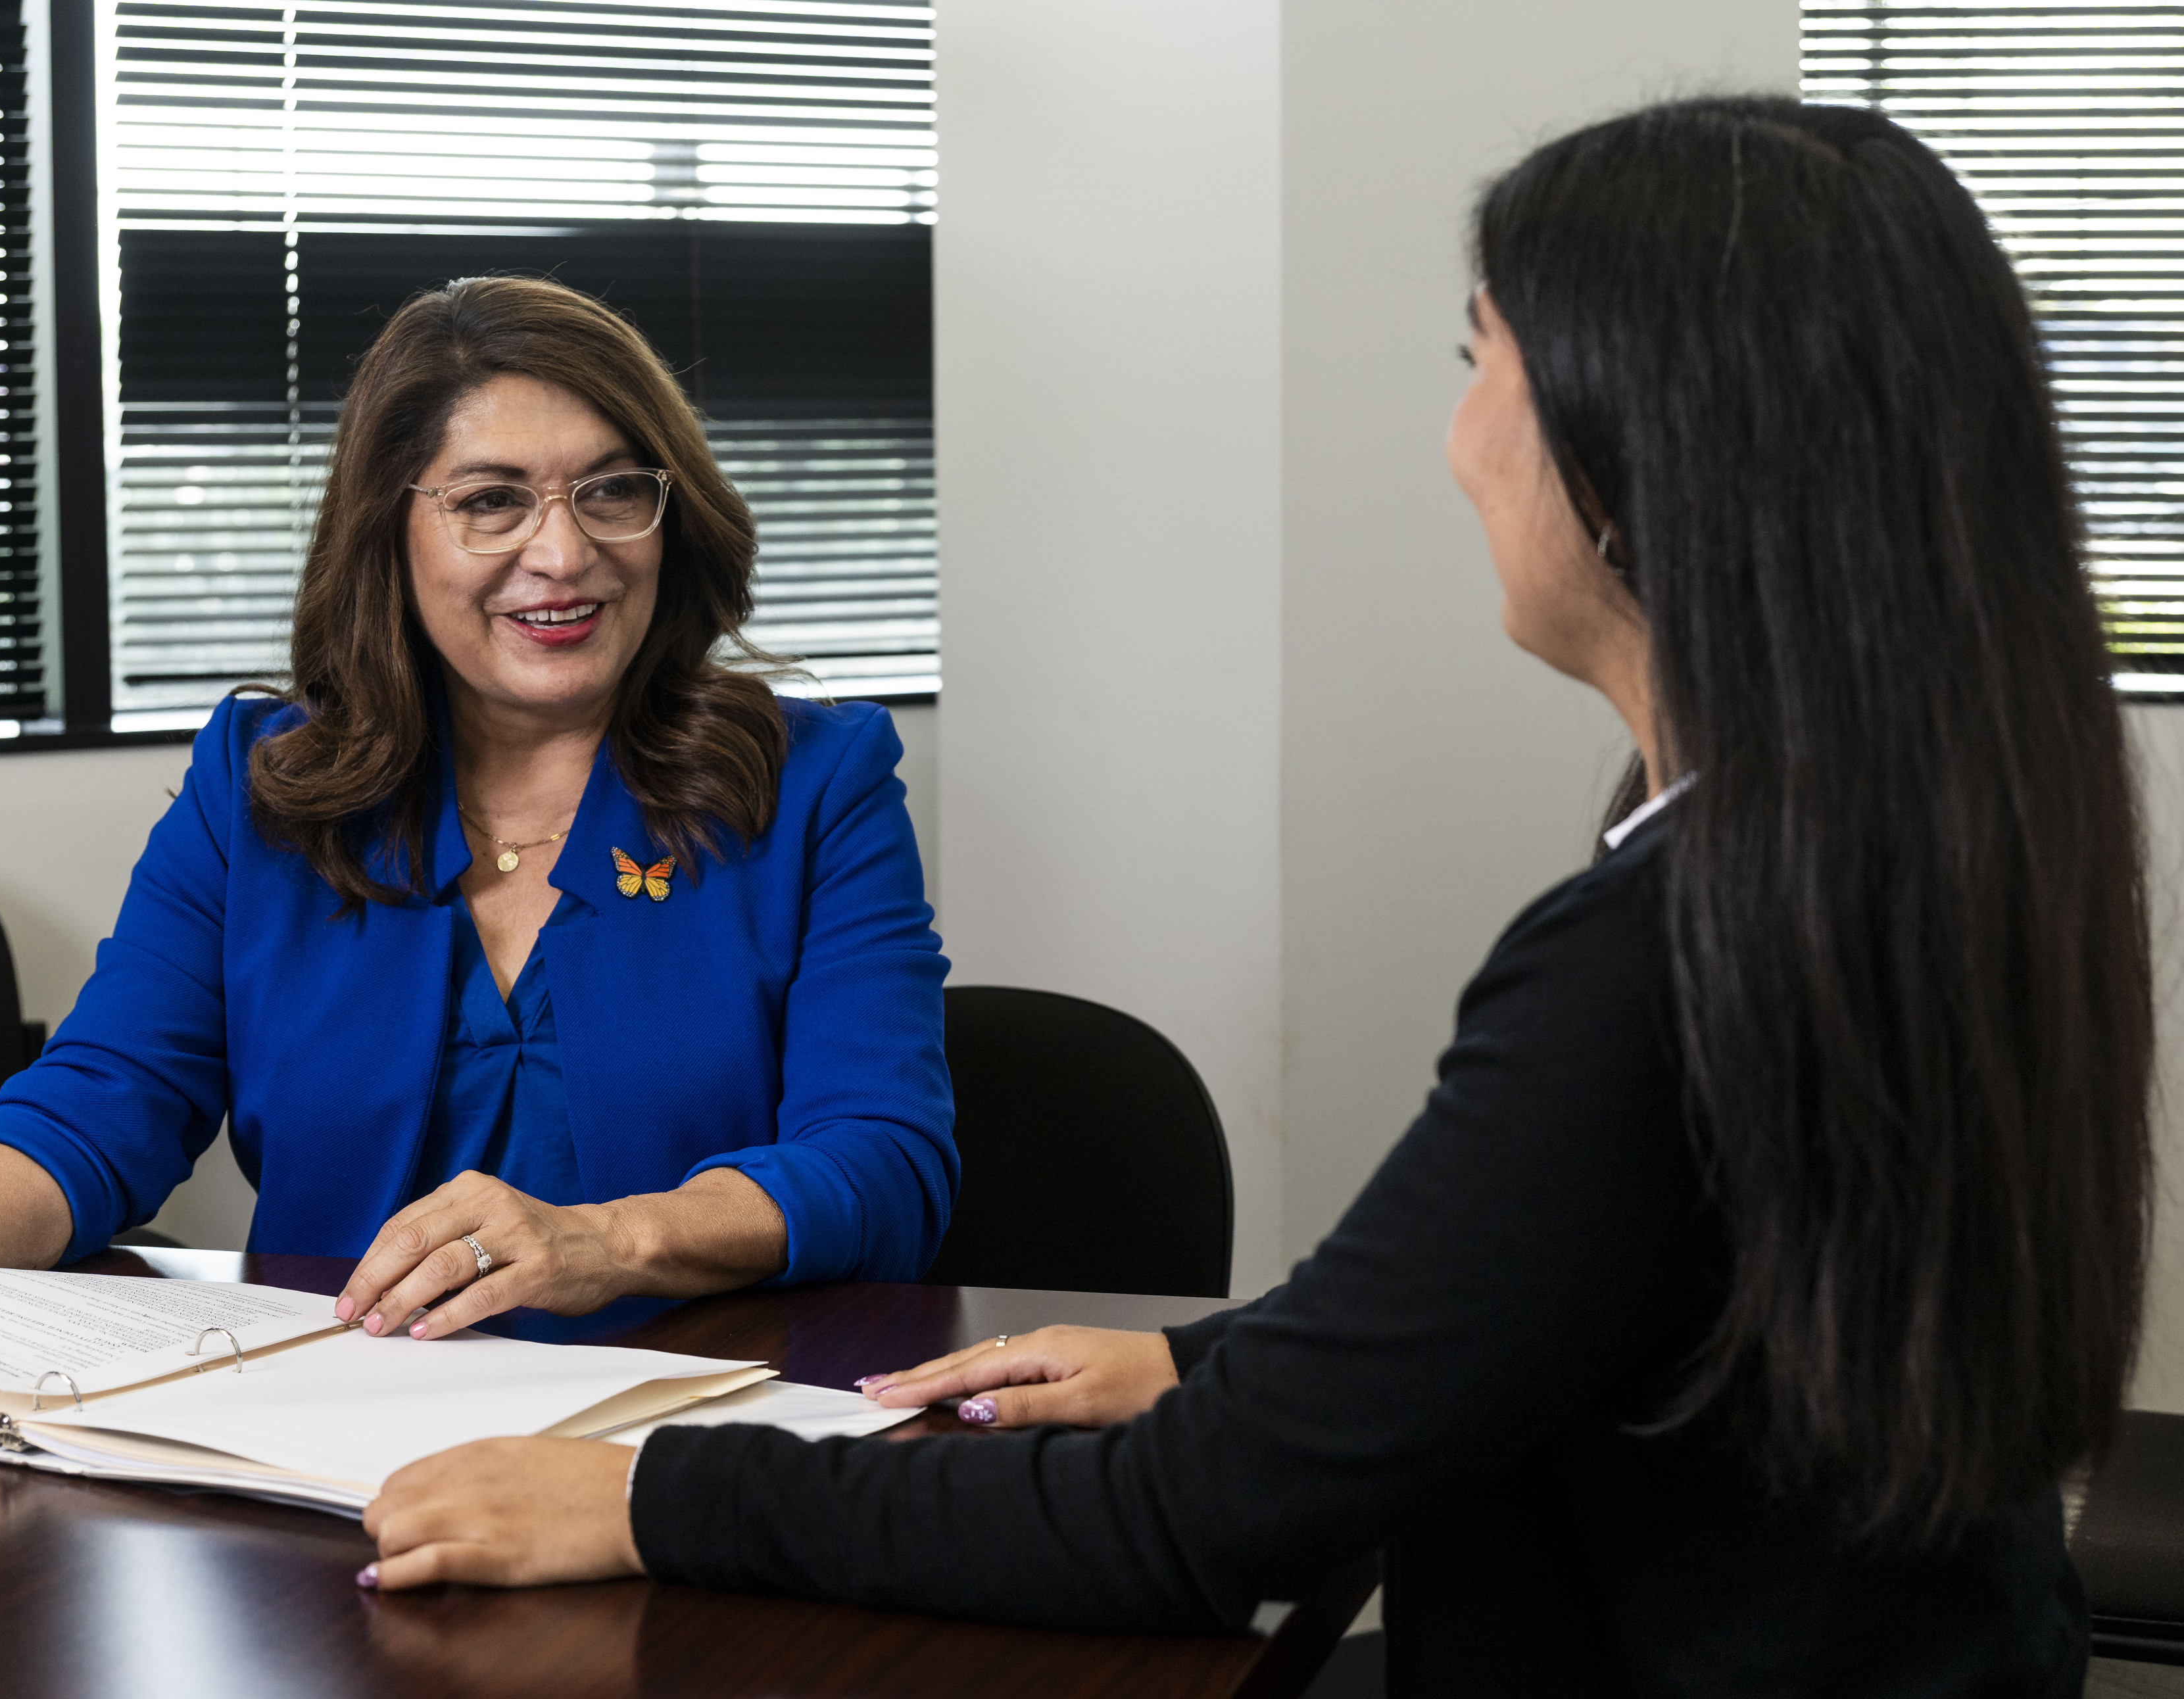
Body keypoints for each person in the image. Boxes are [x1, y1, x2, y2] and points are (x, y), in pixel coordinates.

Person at [355, 99, 2152, 1694]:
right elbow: (1537, 1297)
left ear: (1632, 456)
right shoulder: (1913, 839)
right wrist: (1221, 1369)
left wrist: (655, 1493)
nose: (1456, 444)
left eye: (1479, 366)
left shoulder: (1666, 955)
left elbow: (1196, 1529)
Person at [0, 277, 956, 1349]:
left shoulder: (814, 780)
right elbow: (105, 1098)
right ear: (389, 531)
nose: (564, 555)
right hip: (332, 1436)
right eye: (490, 500)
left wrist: (607, 1240)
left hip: (705, 1428)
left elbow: (887, 1162)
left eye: (613, 491)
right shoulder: (264, 786)